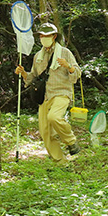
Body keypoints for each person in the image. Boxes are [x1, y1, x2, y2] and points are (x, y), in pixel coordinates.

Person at [15, 23, 81, 161]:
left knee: (54, 117)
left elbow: (77, 74)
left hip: (62, 92)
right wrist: (23, 73)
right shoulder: (38, 56)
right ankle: (60, 163)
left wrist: (68, 66)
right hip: (44, 95)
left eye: (47, 35)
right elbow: (33, 76)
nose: (44, 38)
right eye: (41, 35)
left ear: (54, 36)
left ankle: (71, 141)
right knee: (45, 132)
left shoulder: (65, 52)